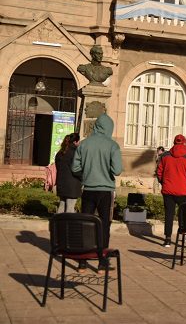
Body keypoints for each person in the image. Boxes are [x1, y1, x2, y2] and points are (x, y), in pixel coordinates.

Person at [72, 113, 122, 273]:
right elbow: (117, 170)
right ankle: (102, 262)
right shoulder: (112, 145)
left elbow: (75, 168)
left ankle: (82, 262)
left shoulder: (84, 144)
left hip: (88, 190)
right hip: (105, 191)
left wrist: (87, 174)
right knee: (104, 226)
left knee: (85, 225)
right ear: (109, 128)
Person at [157, 135, 186, 247]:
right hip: (183, 191)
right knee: (184, 214)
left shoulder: (165, 156)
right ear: (184, 143)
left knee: (169, 214)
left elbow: (159, 172)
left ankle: (168, 239)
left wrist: (163, 182)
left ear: (174, 142)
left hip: (168, 190)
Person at [55, 133, 81, 213]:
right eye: (79, 141)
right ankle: (69, 225)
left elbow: (58, 168)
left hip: (61, 184)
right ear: (75, 142)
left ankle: (57, 224)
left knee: (62, 206)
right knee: (70, 209)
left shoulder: (60, 153)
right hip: (72, 185)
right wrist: (83, 177)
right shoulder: (75, 153)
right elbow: (76, 169)